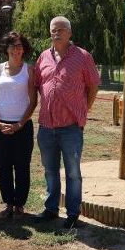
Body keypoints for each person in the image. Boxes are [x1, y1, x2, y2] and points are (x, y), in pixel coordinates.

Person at [35, 16, 100, 229]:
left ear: (70, 33)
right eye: (53, 29)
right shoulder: (43, 57)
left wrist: (83, 110)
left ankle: (73, 213)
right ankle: (51, 208)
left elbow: (92, 87)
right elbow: (37, 85)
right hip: (46, 126)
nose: (57, 33)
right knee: (50, 170)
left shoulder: (82, 57)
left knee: (73, 172)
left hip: (71, 127)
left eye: (61, 29)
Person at [0, 32, 37, 218]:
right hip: (0, 127)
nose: (16, 49)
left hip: (22, 127)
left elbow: (33, 101)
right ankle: (9, 204)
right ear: (6, 48)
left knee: (22, 166)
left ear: (23, 49)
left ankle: (19, 206)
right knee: (3, 166)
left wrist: (19, 124)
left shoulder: (29, 70)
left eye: (19, 46)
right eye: (12, 45)